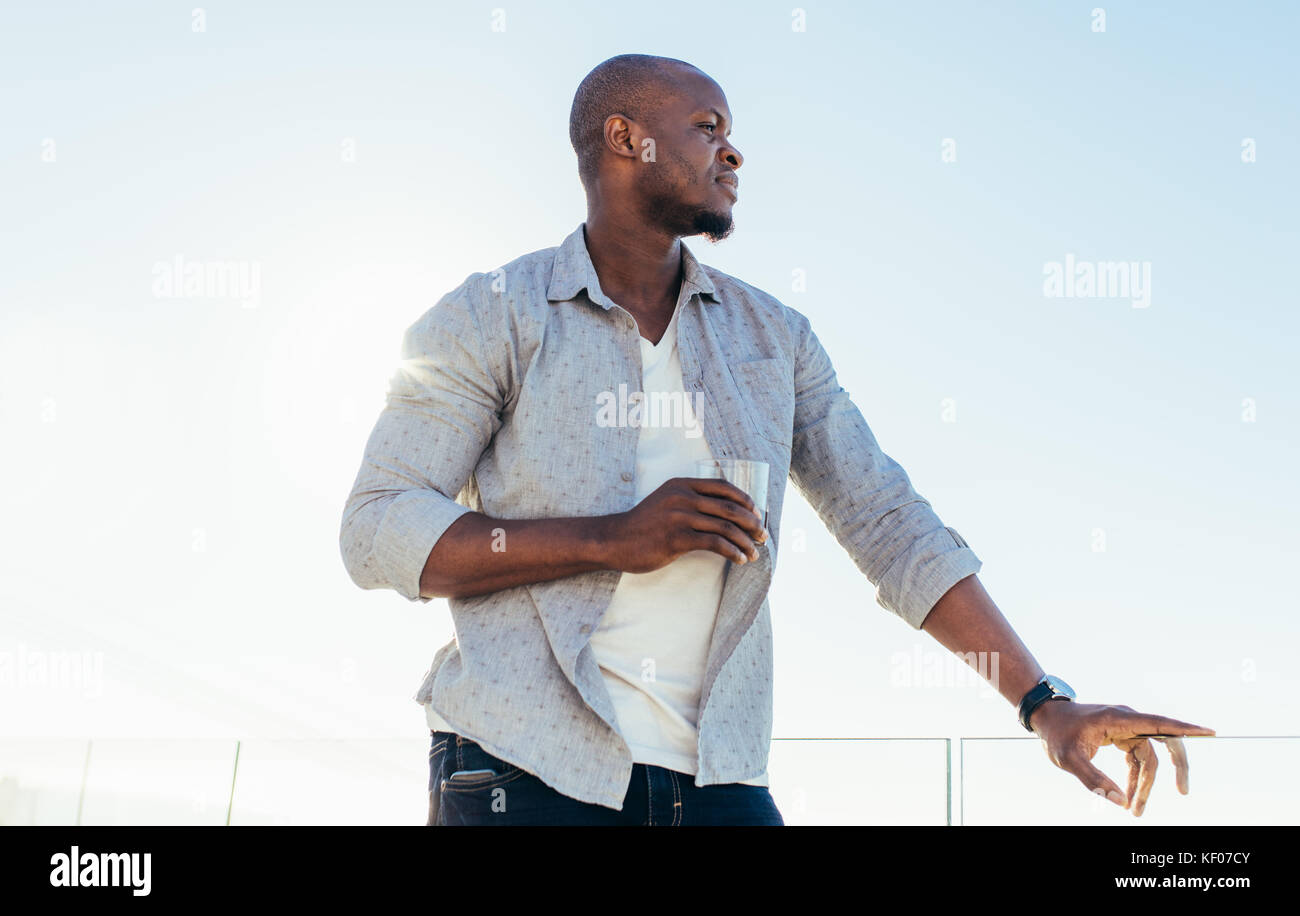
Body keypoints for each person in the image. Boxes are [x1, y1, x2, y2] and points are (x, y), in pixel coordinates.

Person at [339, 53, 1214, 826]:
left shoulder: (775, 338)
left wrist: (1042, 701)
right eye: (708, 126)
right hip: (518, 772)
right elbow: (377, 527)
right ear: (625, 138)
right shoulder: (490, 314)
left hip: (722, 783)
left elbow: (887, 521)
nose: (734, 151)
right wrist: (613, 538)